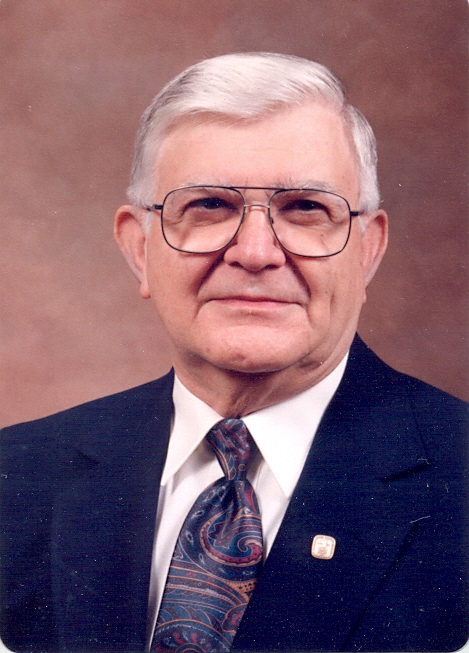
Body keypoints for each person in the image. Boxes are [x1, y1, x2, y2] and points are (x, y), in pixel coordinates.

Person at [1, 53, 467, 653]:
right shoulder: (17, 475)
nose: (254, 252)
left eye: (305, 208)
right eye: (208, 206)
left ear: (367, 251)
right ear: (139, 250)